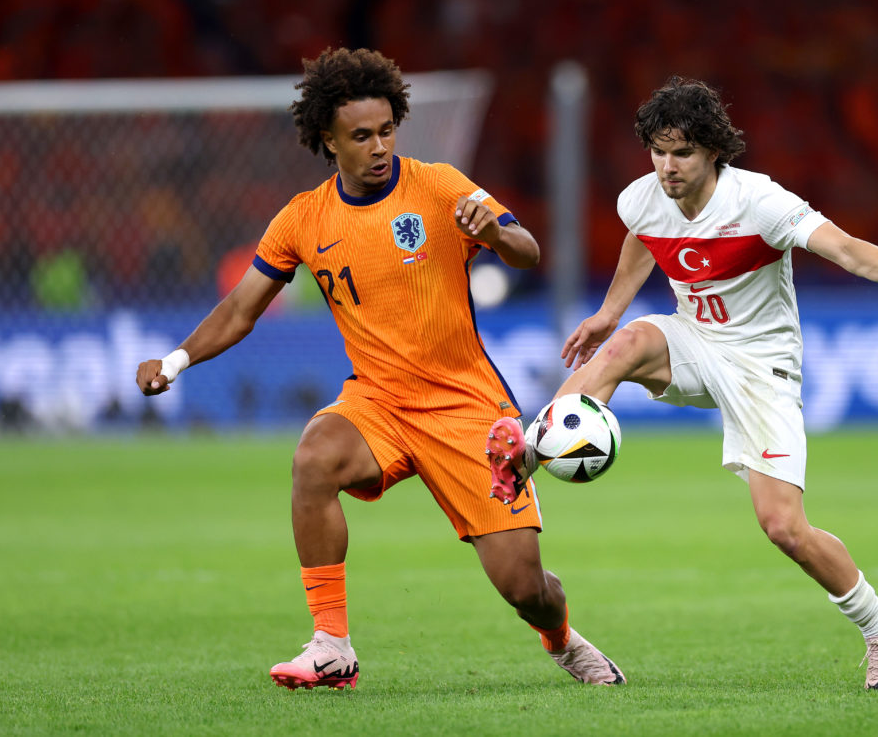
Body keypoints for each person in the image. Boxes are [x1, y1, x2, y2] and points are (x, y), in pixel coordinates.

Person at [137, 47, 623, 689]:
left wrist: (498, 233)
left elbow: (528, 252)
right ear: (327, 141)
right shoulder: (304, 219)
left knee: (524, 586)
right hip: (379, 405)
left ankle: (561, 637)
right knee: (314, 458)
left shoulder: (442, 186)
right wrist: (176, 360)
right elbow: (240, 308)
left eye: (387, 130)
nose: (378, 146)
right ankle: (331, 644)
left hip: (467, 411)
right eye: (361, 136)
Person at [487, 76, 878, 692]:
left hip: (762, 364)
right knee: (624, 345)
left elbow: (841, 248)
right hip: (695, 342)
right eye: (657, 151)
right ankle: (529, 452)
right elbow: (641, 239)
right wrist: (608, 312)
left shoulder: (759, 202)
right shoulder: (644, 196)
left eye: (681, 153)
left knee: (783, 526)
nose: (667, 166)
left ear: (712, 152)